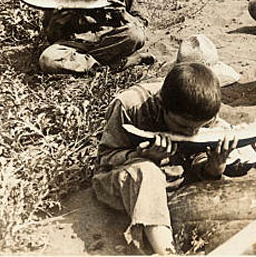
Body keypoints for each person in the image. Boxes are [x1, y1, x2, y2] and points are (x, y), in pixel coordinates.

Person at [92, 61, 240, 254]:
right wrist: (140, 155)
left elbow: (198, 160)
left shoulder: (206, 111)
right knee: (146, 170)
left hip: (178, 185)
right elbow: (105, 159)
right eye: (182, 127)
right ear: (162, 104)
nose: (191, 133)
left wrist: (215, 167)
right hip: (121, 184)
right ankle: (166, 252)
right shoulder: (130, 105)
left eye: (199, 128)